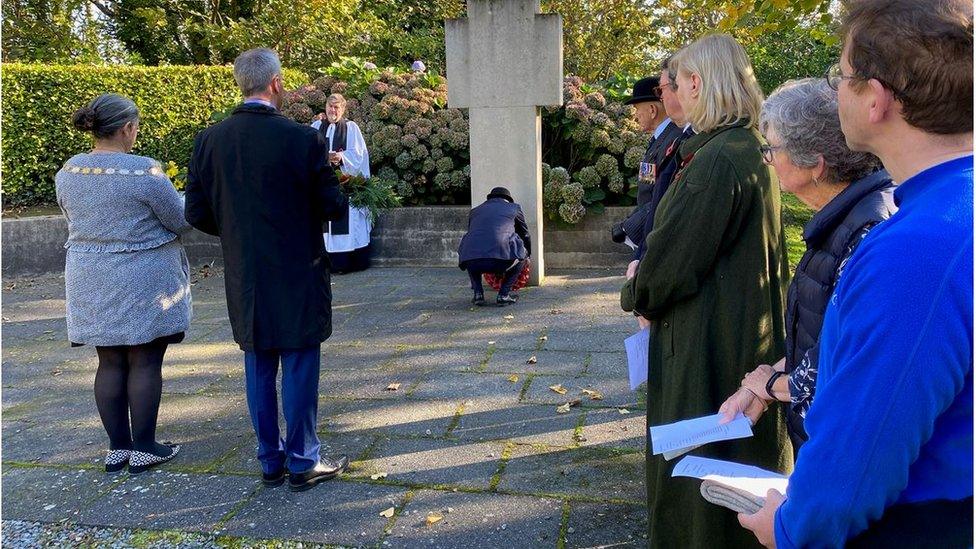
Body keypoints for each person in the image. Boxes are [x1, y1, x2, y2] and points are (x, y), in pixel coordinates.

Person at [739, 1, 973, 547]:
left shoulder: (913, 252)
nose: (835, 90)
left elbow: (851, 474)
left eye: (840, 76)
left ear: (877, 99)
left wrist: (789, 525)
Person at [619, 34, 793, 548]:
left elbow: (669, 264)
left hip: (708, 343)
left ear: (697, 82)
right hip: (738, 329)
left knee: (700, 472)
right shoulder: (746, 148)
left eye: (681, 81)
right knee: (735, 459)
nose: (677, 92)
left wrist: (637, 290)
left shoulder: (718, 158)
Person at [184, 48, 350, 492]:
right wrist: (338, 187)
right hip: (298, 267)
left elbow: (196, 212)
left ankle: (270, 460)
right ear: (276, 83)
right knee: (298, 360)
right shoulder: (304, 140)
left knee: (258, 361)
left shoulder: (209, 140)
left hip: (247, 271)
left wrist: (240, 233)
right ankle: (302, 459)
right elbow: (331, 208)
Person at [718, 78, 896, 452]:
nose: (767, 159)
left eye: (772, 148)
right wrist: (769, 381)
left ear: (814, 163)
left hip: (845, 451)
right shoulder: (841, 219)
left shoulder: (867, 229)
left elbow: (844, 363)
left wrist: (766, 385)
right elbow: (822, 341)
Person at [57, 93, 191, 474]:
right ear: (128, 128)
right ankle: (146, 446)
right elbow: (180, 219)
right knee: (145, 359)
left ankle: (118, 448)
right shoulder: (143, 172)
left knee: (109, 360)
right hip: (141, 277)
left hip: (89, 276)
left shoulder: (69, 171)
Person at [613, 76, 684, 256]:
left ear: (652, 110)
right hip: (648, 228)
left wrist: (631, 227)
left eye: (637, 109)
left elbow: (661, 194)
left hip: (655, 232)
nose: (635, 116)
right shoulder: (660, 138)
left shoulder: (674, 138)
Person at [311, 93, 373, 273]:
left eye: (337, 107)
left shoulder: (351, 128)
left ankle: (345, 263)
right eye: (330, 106)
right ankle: (324, 263)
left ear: (343, 109)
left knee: (345, 223)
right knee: (324, 226)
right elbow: (308, 152)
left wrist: (341, 157)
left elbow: (360, 155)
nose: (333, 110)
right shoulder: (316, 127)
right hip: (323, 187)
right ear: (325, 107)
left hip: (344, 185)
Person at [457, 186, 531, 306]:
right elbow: (525, 234)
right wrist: (528, 254)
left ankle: (478, 294)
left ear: (490, 198)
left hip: (472, 261)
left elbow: (472, 233)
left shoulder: (475, 211)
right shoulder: (514, 208)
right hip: (501, 260)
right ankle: (503, 295)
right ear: (507, 199)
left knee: (471, 252)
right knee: (522, 258)